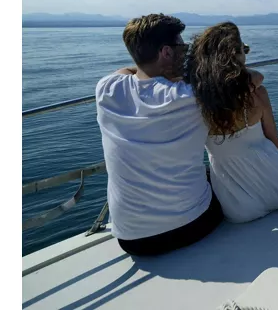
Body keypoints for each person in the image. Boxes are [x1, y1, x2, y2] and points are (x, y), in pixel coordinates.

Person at [95, 13, 224, 256]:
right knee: (221, 177)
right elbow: (245, 79)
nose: (185, 53)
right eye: (182, 47)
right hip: (192, 225)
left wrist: (153, 69)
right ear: (166, 52)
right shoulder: (192, 96)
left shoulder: (106, 89)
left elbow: (126, 70)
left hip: (131, 239)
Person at [185, 22, 278, 223]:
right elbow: (274, 143)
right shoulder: (258, 92)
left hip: (239, 205)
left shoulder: (194, 101)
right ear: (237, 55)